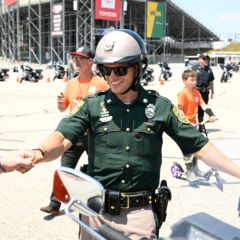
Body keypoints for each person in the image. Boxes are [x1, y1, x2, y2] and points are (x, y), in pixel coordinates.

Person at [17, 29, 240, 240]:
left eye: (120, 69)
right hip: (95, 212)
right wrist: (38, 153)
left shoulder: (161, 108)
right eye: (106, 70)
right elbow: (62, 138)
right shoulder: (92, 106)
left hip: (139, 218)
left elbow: (199, 146)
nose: (112, 77)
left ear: (138, 68)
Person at [40, 46, 109, 214]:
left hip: (95, 135)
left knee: (97, 168)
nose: (76, 61)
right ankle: (54, 204)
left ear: (90, 61)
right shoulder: (70, 84)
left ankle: (100, 203)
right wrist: (59, 102)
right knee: (65, 168)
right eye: (74, 58)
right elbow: (63, 109)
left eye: (80, 58)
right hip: (74, 135)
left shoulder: (101, 83)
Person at [177, 69, 217, 181]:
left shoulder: (196, 93)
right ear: (184, 81)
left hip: (194, 125)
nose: (194, 82)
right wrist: (186, 122)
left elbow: (203, 105)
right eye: (192, 80)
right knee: (189, 151)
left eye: (195, 79)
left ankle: (195, 170)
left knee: (196, 149)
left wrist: (211, 115)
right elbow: (179, 111)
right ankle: (190, 173)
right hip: (184, 126)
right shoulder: (183, 94)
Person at [191, 54, 215, 131]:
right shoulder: (194, 68)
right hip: (196, 92)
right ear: (199, 59)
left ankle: (201, 126)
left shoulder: (209, 69)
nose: (205, 60)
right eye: (204, 59)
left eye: (206, 59)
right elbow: (190, 80)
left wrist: (213, 91)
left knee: (202, 109)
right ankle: (192, 125)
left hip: (205, 93)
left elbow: (211, 81)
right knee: (194, 109)